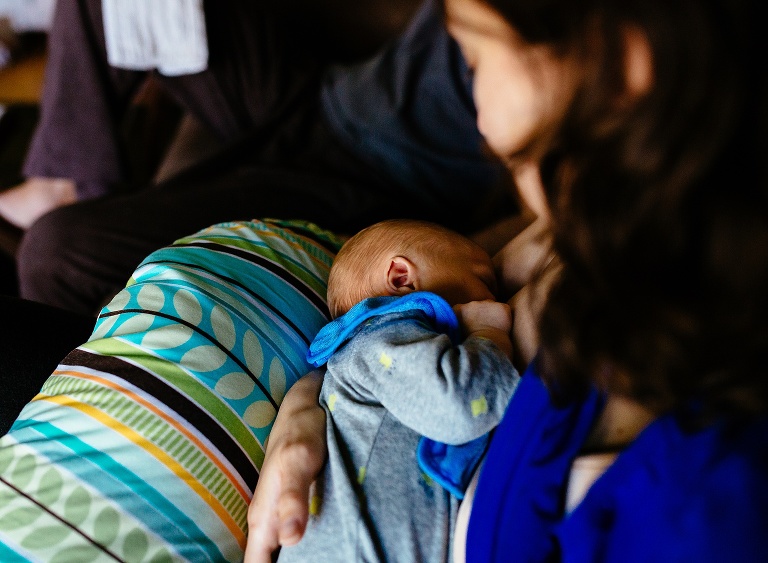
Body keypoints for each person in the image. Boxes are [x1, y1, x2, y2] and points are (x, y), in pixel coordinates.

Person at [246, 0, 768, 560]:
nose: (479, 121)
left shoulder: (698, 511)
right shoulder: (577, 243)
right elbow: (376, 343)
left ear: (622, 62)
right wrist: (306, 416)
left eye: (473, 55)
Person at [0, 0, 514, 316]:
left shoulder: (567, 63)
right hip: (323, 98)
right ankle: (66, 176)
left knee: (55, 251)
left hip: (369, 180)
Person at [276, 219, 518, 562]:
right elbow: (460, 406)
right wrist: (489, 335)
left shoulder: (381, 352)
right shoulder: (380, 334)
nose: (498, 300)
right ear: (402, 279)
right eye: (484, 281)